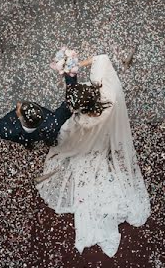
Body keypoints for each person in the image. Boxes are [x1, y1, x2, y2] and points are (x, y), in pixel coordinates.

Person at [37, 54, 150, 256]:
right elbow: (102, 58)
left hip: (91, 138)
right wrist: (77, 64)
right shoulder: (106, 93)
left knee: (67, 148)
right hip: (107, 128)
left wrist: (70, 67)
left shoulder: (82, 121)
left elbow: (64, 136)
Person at [0, 64, 77, 145]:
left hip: (22, 137)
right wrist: (69, 73)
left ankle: (31, 144)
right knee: (49, 137)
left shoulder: (7, 130)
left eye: (18, 109)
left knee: (29, 141)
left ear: (20, 118)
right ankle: (49, 141)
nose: (18, 104)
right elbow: (72, 99)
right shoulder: (54, 121)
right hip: (48, 133)